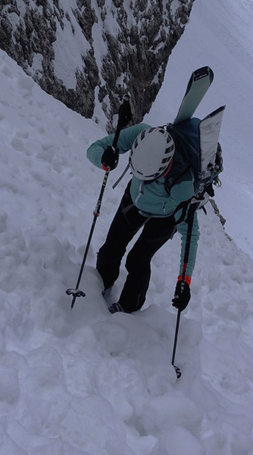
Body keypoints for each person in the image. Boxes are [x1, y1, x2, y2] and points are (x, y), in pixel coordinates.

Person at [85, 117, 214, 315]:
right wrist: (104, 159)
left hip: (165, 217)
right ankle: (100, 284)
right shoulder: (142, 133)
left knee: (137, 261)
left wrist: (184, 281)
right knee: (111, 249)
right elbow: (96, 147)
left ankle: (128, 308)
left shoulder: (182, 184)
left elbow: (190, 235)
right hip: (134, 201)